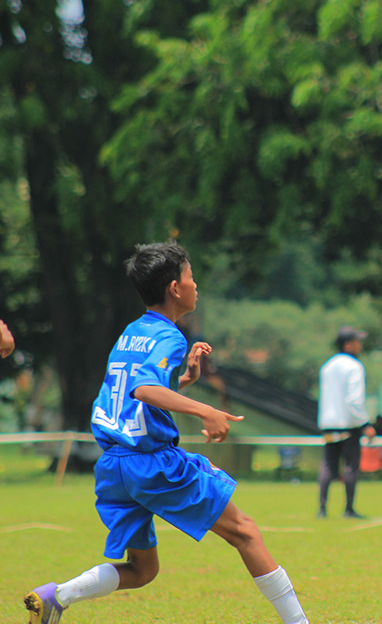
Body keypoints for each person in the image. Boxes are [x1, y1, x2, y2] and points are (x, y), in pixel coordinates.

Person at [23, 242, 308, 624]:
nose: (195, 285)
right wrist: (206, 409)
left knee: (143, 571)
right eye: (191, 277)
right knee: (245, 532)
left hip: (115, 467)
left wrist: (185, 380)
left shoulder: (132, 332)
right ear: (175, 288)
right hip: (150, 464)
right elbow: (143, 390)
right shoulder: (171, 337)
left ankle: (57, 596)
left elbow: (134, 396)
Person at [317, 326, 376, 519]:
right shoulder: (354, 366)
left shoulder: (327, 365)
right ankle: (348, 509)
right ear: (348, 344)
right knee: (351, 465)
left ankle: (322, 509)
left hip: (328, 423)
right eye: (357, 341)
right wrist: (365, 423)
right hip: (348, 424)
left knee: (328, 464)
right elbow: (354, 399)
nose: (360, 345)